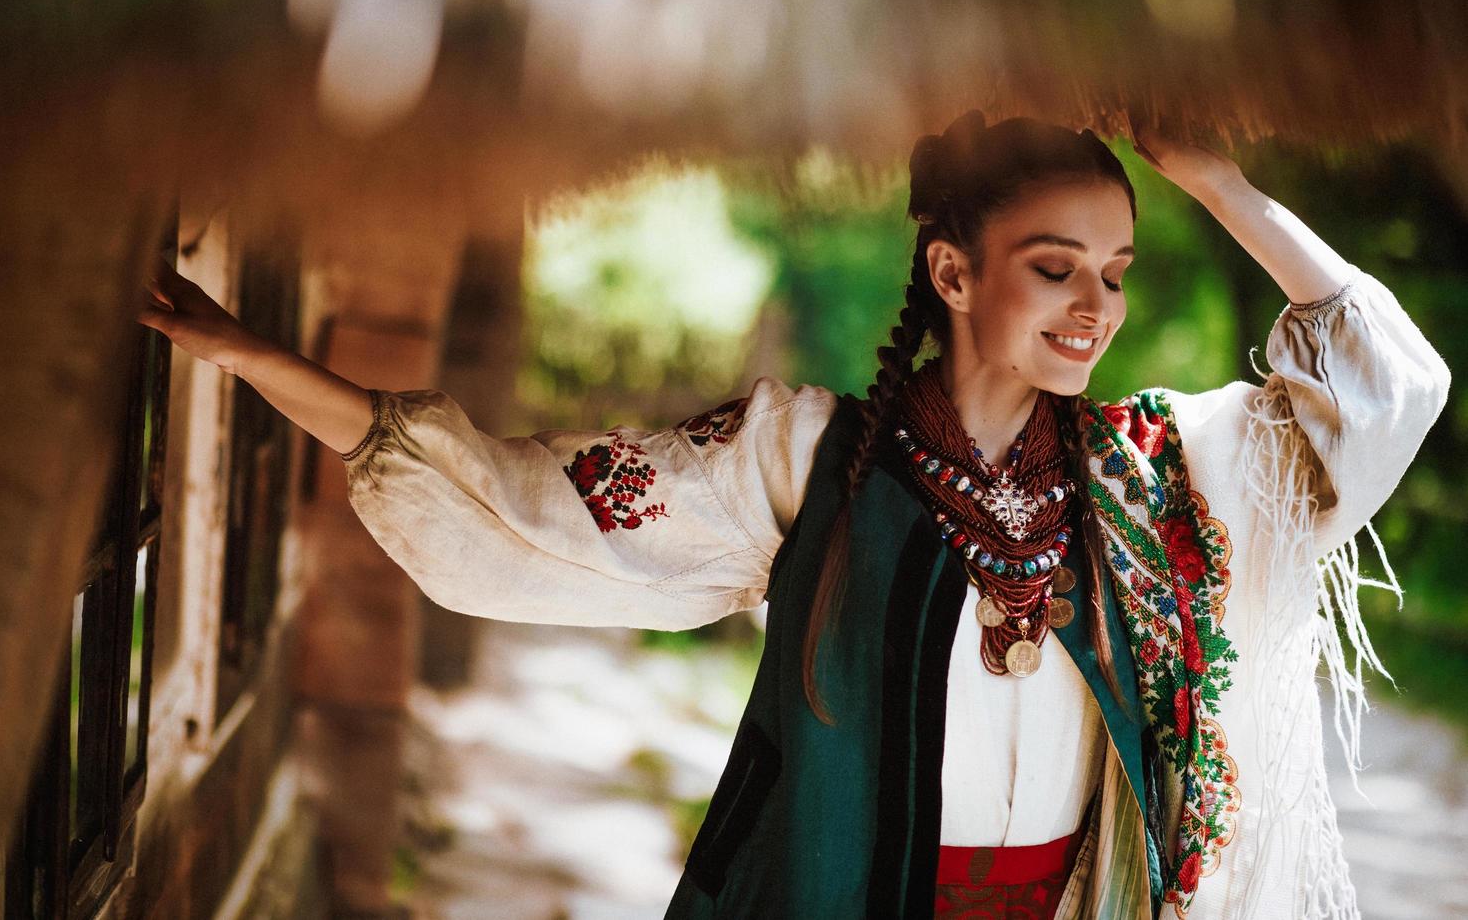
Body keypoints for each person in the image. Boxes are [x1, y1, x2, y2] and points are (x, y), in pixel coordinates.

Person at [140, 113, 1451, 920]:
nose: (1093, 310)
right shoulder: (809, 456)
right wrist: (249, 357)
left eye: (1111, 273)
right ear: (950, 270)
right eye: (1052, 269)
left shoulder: (1160, 466)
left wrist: (1216, 183)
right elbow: (507, 503)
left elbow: (1388, 388)